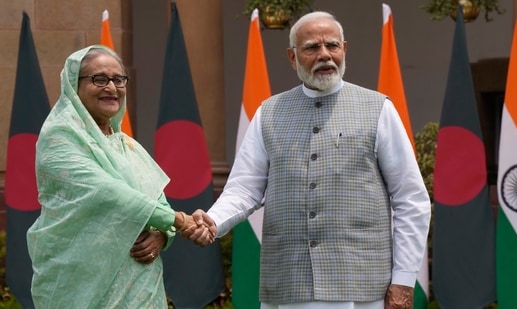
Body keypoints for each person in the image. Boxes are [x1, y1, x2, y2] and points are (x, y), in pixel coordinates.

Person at [188, 11, 431, 309]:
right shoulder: (269, 112)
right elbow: (244, 188)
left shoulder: (378, 109)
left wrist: (404, 280)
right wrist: (212, 221)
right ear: (292, 57)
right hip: (290, 283)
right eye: (312, 48)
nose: (325, 55)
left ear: (345, 49)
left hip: (363, 288)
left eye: (332, 45)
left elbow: (411, 198)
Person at [26, 45, 208, 308]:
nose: (111, 87)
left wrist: (162, 234)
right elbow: (107, 193)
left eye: (118, 79)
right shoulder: (59, 137)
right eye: (99, 79)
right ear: (73, 86)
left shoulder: (127, 146)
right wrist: (180, 221)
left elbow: (158, 201)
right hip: (81, 283)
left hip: (141, 285)